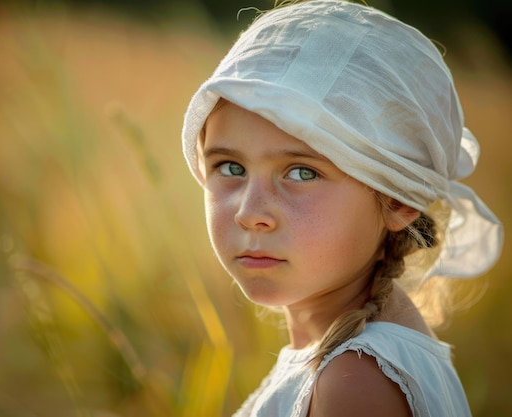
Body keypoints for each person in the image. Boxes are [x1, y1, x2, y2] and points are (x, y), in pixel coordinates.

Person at [180, 0, 504, 416]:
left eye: (301, 173)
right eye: (231, 167)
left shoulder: (356, 383)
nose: (250, 211)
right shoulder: (346, 364)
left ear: (398, 199)